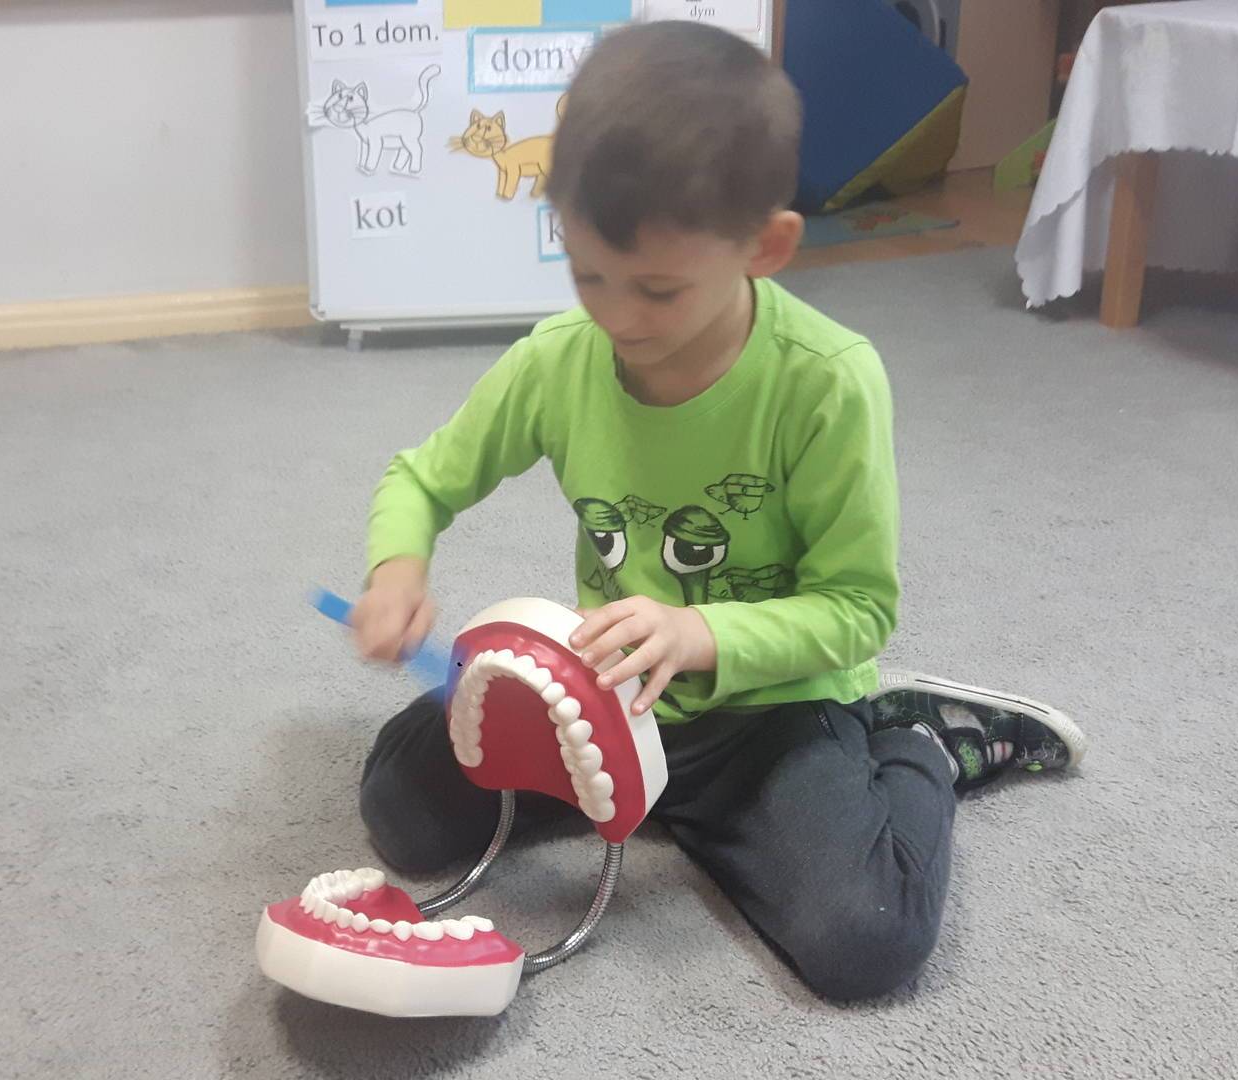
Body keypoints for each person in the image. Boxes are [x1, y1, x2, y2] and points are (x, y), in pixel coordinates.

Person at [349, 21, 1086, 1001]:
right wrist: (398, 569)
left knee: (864, 940)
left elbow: (858, 608)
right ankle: (650, 796)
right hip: (608, 701)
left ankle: (920, 744)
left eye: (657, 289)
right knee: (400, 809)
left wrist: (698, 634)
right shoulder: (558, 361)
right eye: (588, 274)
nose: (616, 316)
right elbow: (422, 478)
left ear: (765, 247)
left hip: (769, 712)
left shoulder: (826, 382)